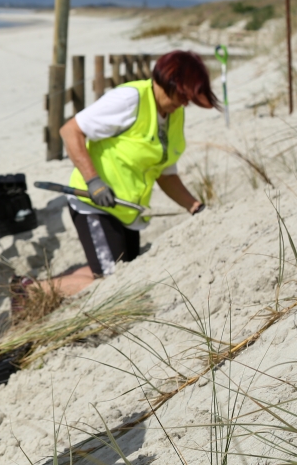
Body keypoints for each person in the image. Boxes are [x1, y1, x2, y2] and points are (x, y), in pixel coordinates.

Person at [42, 50, 217, 297]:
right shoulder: (128, 99)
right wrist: (94, 182)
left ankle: (39, 288)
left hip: (126, 211)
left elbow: (165, 174)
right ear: (166, 81)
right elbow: (71, 131)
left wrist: (195, 207)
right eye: (183, 95)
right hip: (95, 203)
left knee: (117, 269)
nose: (185, 103)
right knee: (112, 283)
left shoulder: (174, 113)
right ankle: (28, 291)